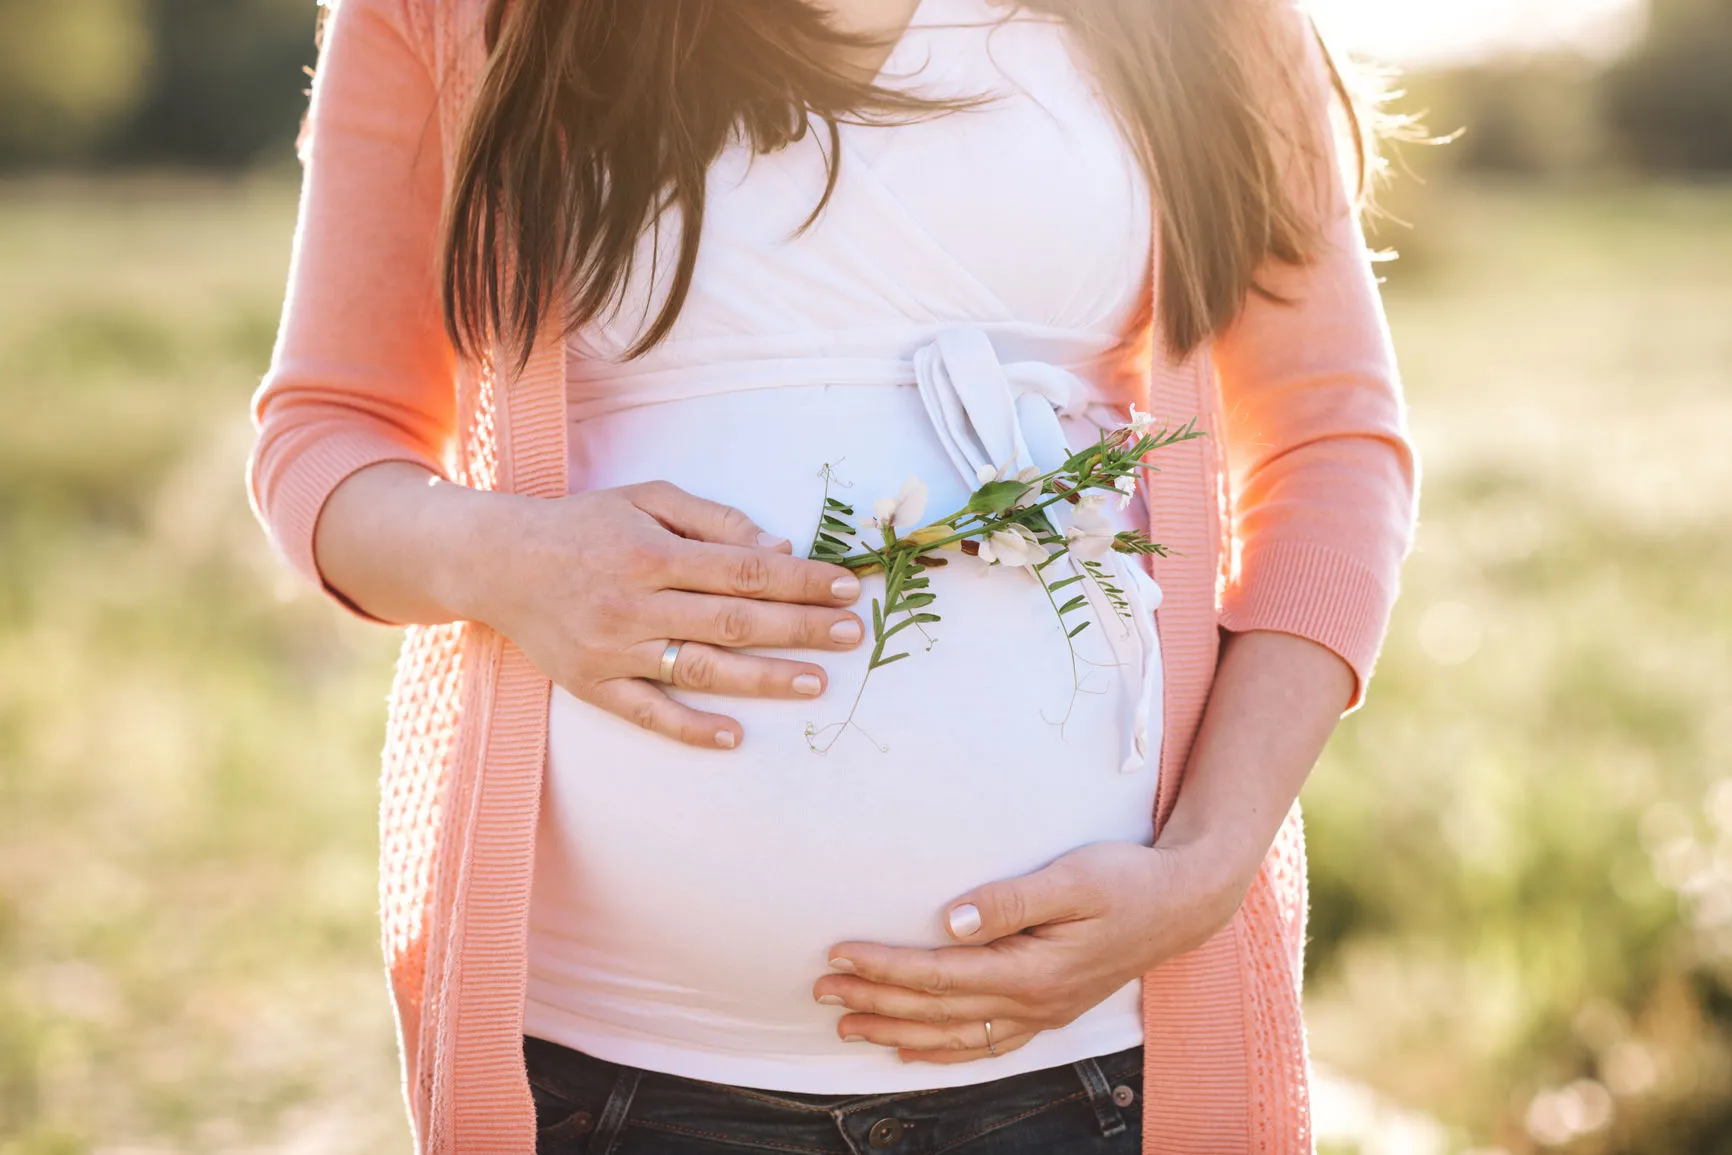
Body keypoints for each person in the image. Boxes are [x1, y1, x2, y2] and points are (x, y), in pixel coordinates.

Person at [247, 0, 1419, 1150]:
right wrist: (514, 561)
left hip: (1090, 1071)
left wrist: (1209, 866)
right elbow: (325, 436)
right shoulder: (450, 16)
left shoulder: (1203, 18)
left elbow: (1327, 446)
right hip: (612, 1074)